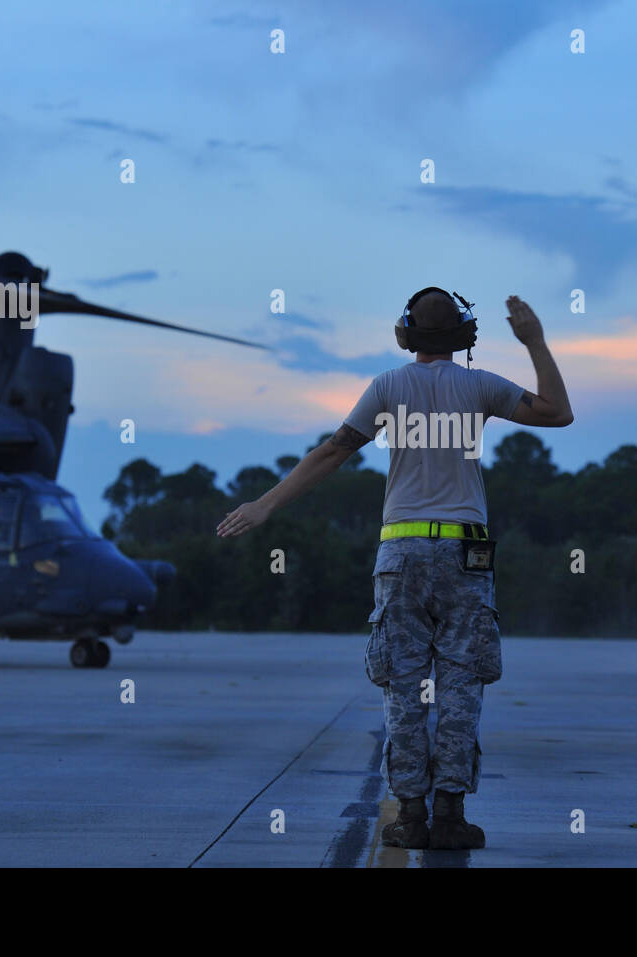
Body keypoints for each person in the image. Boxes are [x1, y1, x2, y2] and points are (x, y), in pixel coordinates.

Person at [216, 290, 573, 849]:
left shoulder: (387, 386)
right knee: (461, 686)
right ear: (465, 335)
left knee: (403, 688)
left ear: (406, 334)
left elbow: (334, 451)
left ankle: (410, 814)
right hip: (464, 555)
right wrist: (535, 343)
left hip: (401, 555)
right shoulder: (480, 386)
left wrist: (266, 504)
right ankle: (451, 816)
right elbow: (558, 412)